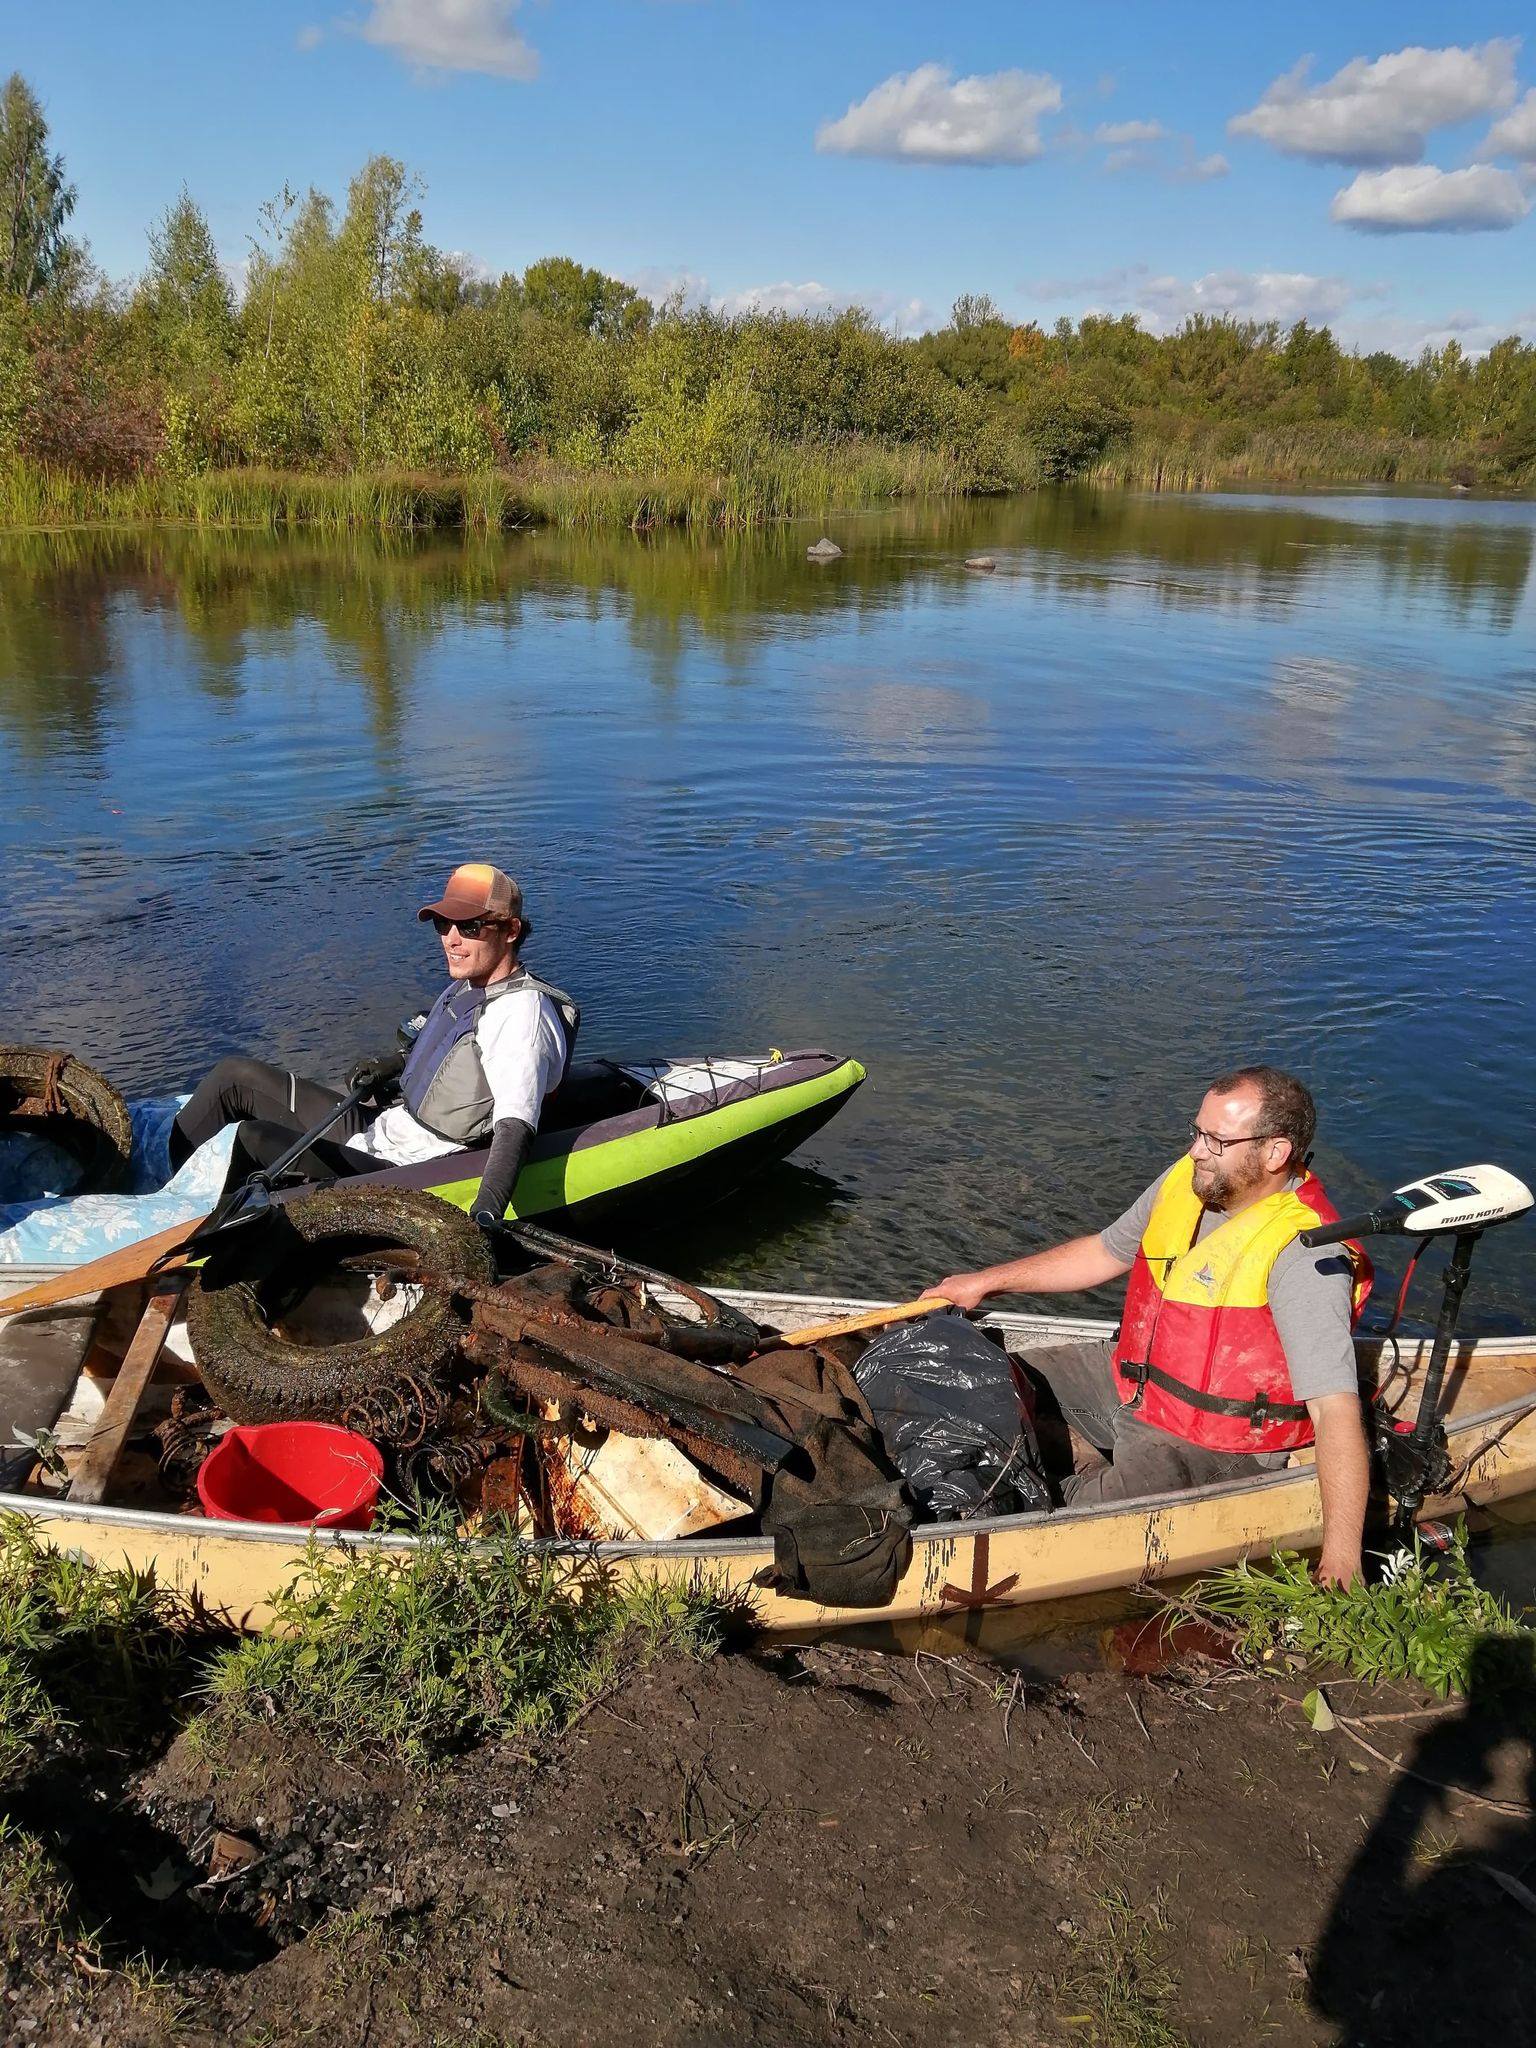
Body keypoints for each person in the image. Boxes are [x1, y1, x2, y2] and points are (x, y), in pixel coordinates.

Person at [923, 1066, 1374, 1586]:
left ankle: (1064, 1474)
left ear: (1275, 1152)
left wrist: (1341, 1557)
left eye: (1217, 1140)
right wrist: (985, 1281)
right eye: (1197, 1131)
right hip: (1131, 1380)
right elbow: (1104, 1251)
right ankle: (1069, 1447)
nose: (1198, 1150)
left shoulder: (1305, 1255)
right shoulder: (1190, 1179)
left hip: (1210, 1438)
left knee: (1062, 1515)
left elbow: (1335, 1410)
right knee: (976, 1373)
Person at [169, 864, 579, 1228]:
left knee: (254, 1139)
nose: (451, 940)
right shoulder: (469, 986)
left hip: (407, 1167)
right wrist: (394, 1064)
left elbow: (515, 1125)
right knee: (235, 1077)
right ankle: (162, 1187)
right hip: (383, 1127)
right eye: (443, 925)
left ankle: (197, 1237)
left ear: (510, 931)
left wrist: (485, 1209)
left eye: (470, 927)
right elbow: (446, 1057)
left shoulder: (521, 1015)